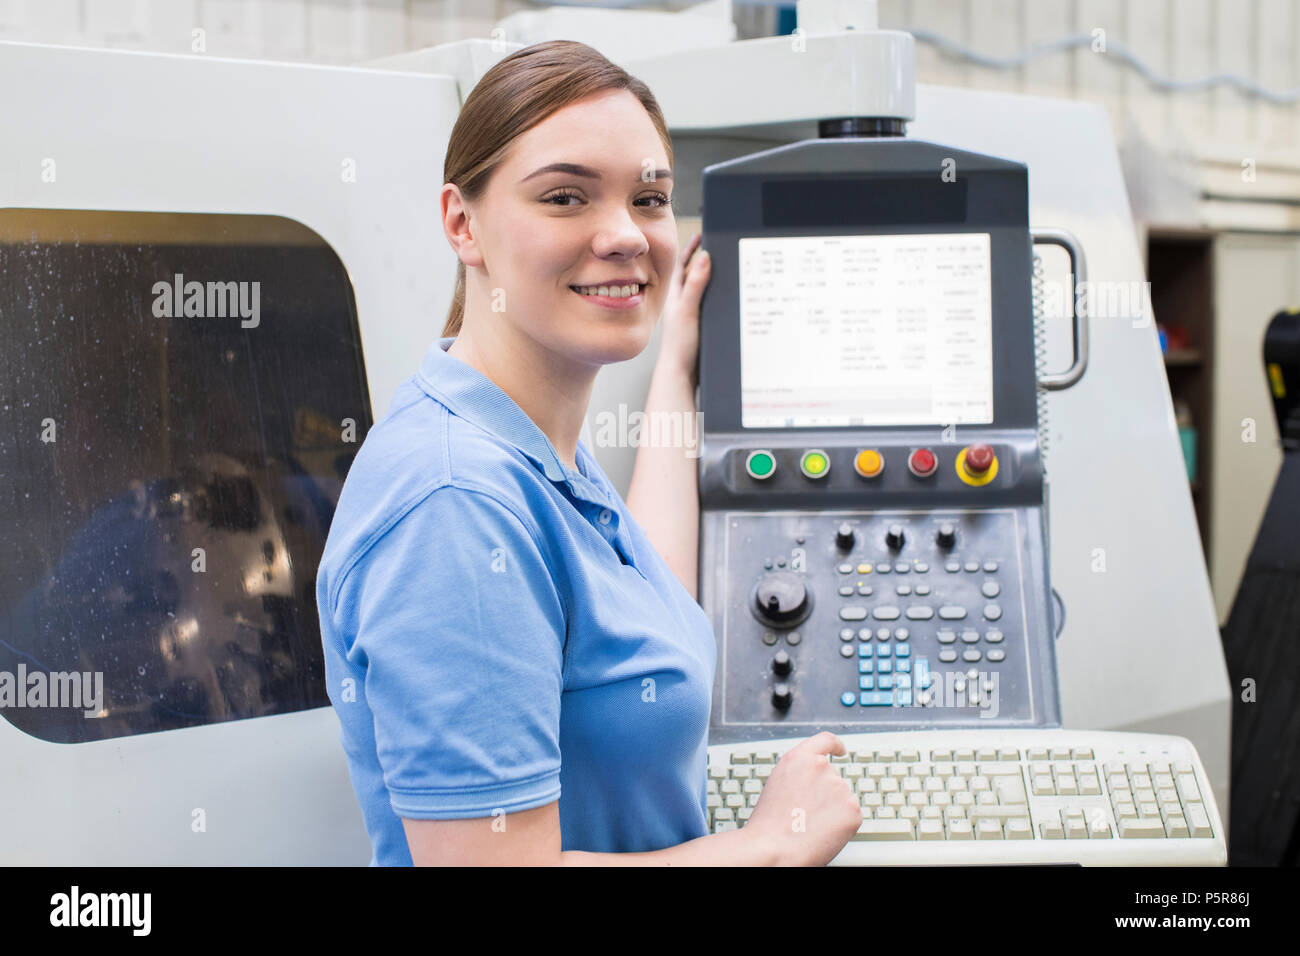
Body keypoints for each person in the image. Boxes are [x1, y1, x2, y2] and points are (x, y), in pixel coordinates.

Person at [316, 39, 862, 866]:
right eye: (566, 197)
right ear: (463, 223)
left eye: (648, 199)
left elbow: (640, 605)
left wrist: (676, 371)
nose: (625, 236)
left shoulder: (527, 443)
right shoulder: (457, 505)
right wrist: (772, 846)